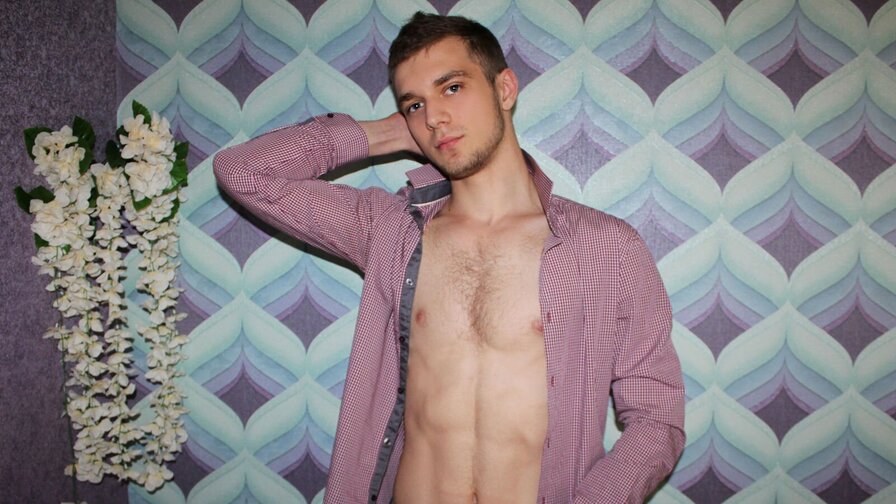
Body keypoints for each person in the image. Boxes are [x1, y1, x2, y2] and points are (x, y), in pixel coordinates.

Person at [214, 11, 685, 504]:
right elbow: (243, 173)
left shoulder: (605, 248)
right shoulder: (390, 230)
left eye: (452, 88)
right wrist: (391, 134)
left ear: (505, 89)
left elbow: (657, 419)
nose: (434, 117)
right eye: (415, 104)